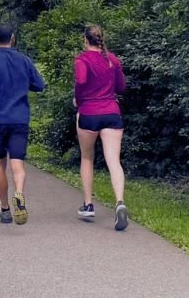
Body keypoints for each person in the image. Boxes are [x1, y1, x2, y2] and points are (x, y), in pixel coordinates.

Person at [0, 24, 45, 225]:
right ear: (12, 38)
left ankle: (5, 208)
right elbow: (39, 84)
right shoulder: (24, 60)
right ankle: (20, 194)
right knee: (18, 162)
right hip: (19, 118)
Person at [74, 24, 129, 231]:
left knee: (87, 157)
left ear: (85, 40)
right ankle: (120, 202)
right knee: (114, 161)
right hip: (111, 113)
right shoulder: (112, 60)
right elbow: (121, 87)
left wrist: (79, 101)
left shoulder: (82, 60)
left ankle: (88, 205)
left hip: (88, 113)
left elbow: (80, 81)